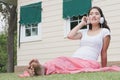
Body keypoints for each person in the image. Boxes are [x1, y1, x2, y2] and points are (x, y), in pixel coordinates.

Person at [18, 6, 120, 78]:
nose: (93, 16)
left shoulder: (104, 32)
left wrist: (104, 68)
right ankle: (41, 69)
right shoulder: (84, 32)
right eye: (91, 14)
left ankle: (41, 69)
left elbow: (104, 52)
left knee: (61, 60)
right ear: (88, 17)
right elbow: (70, 36)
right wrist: (82, 23)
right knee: (61, 61)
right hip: (74, 59)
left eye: (97, 14)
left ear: (101, 18)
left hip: (89, 62)